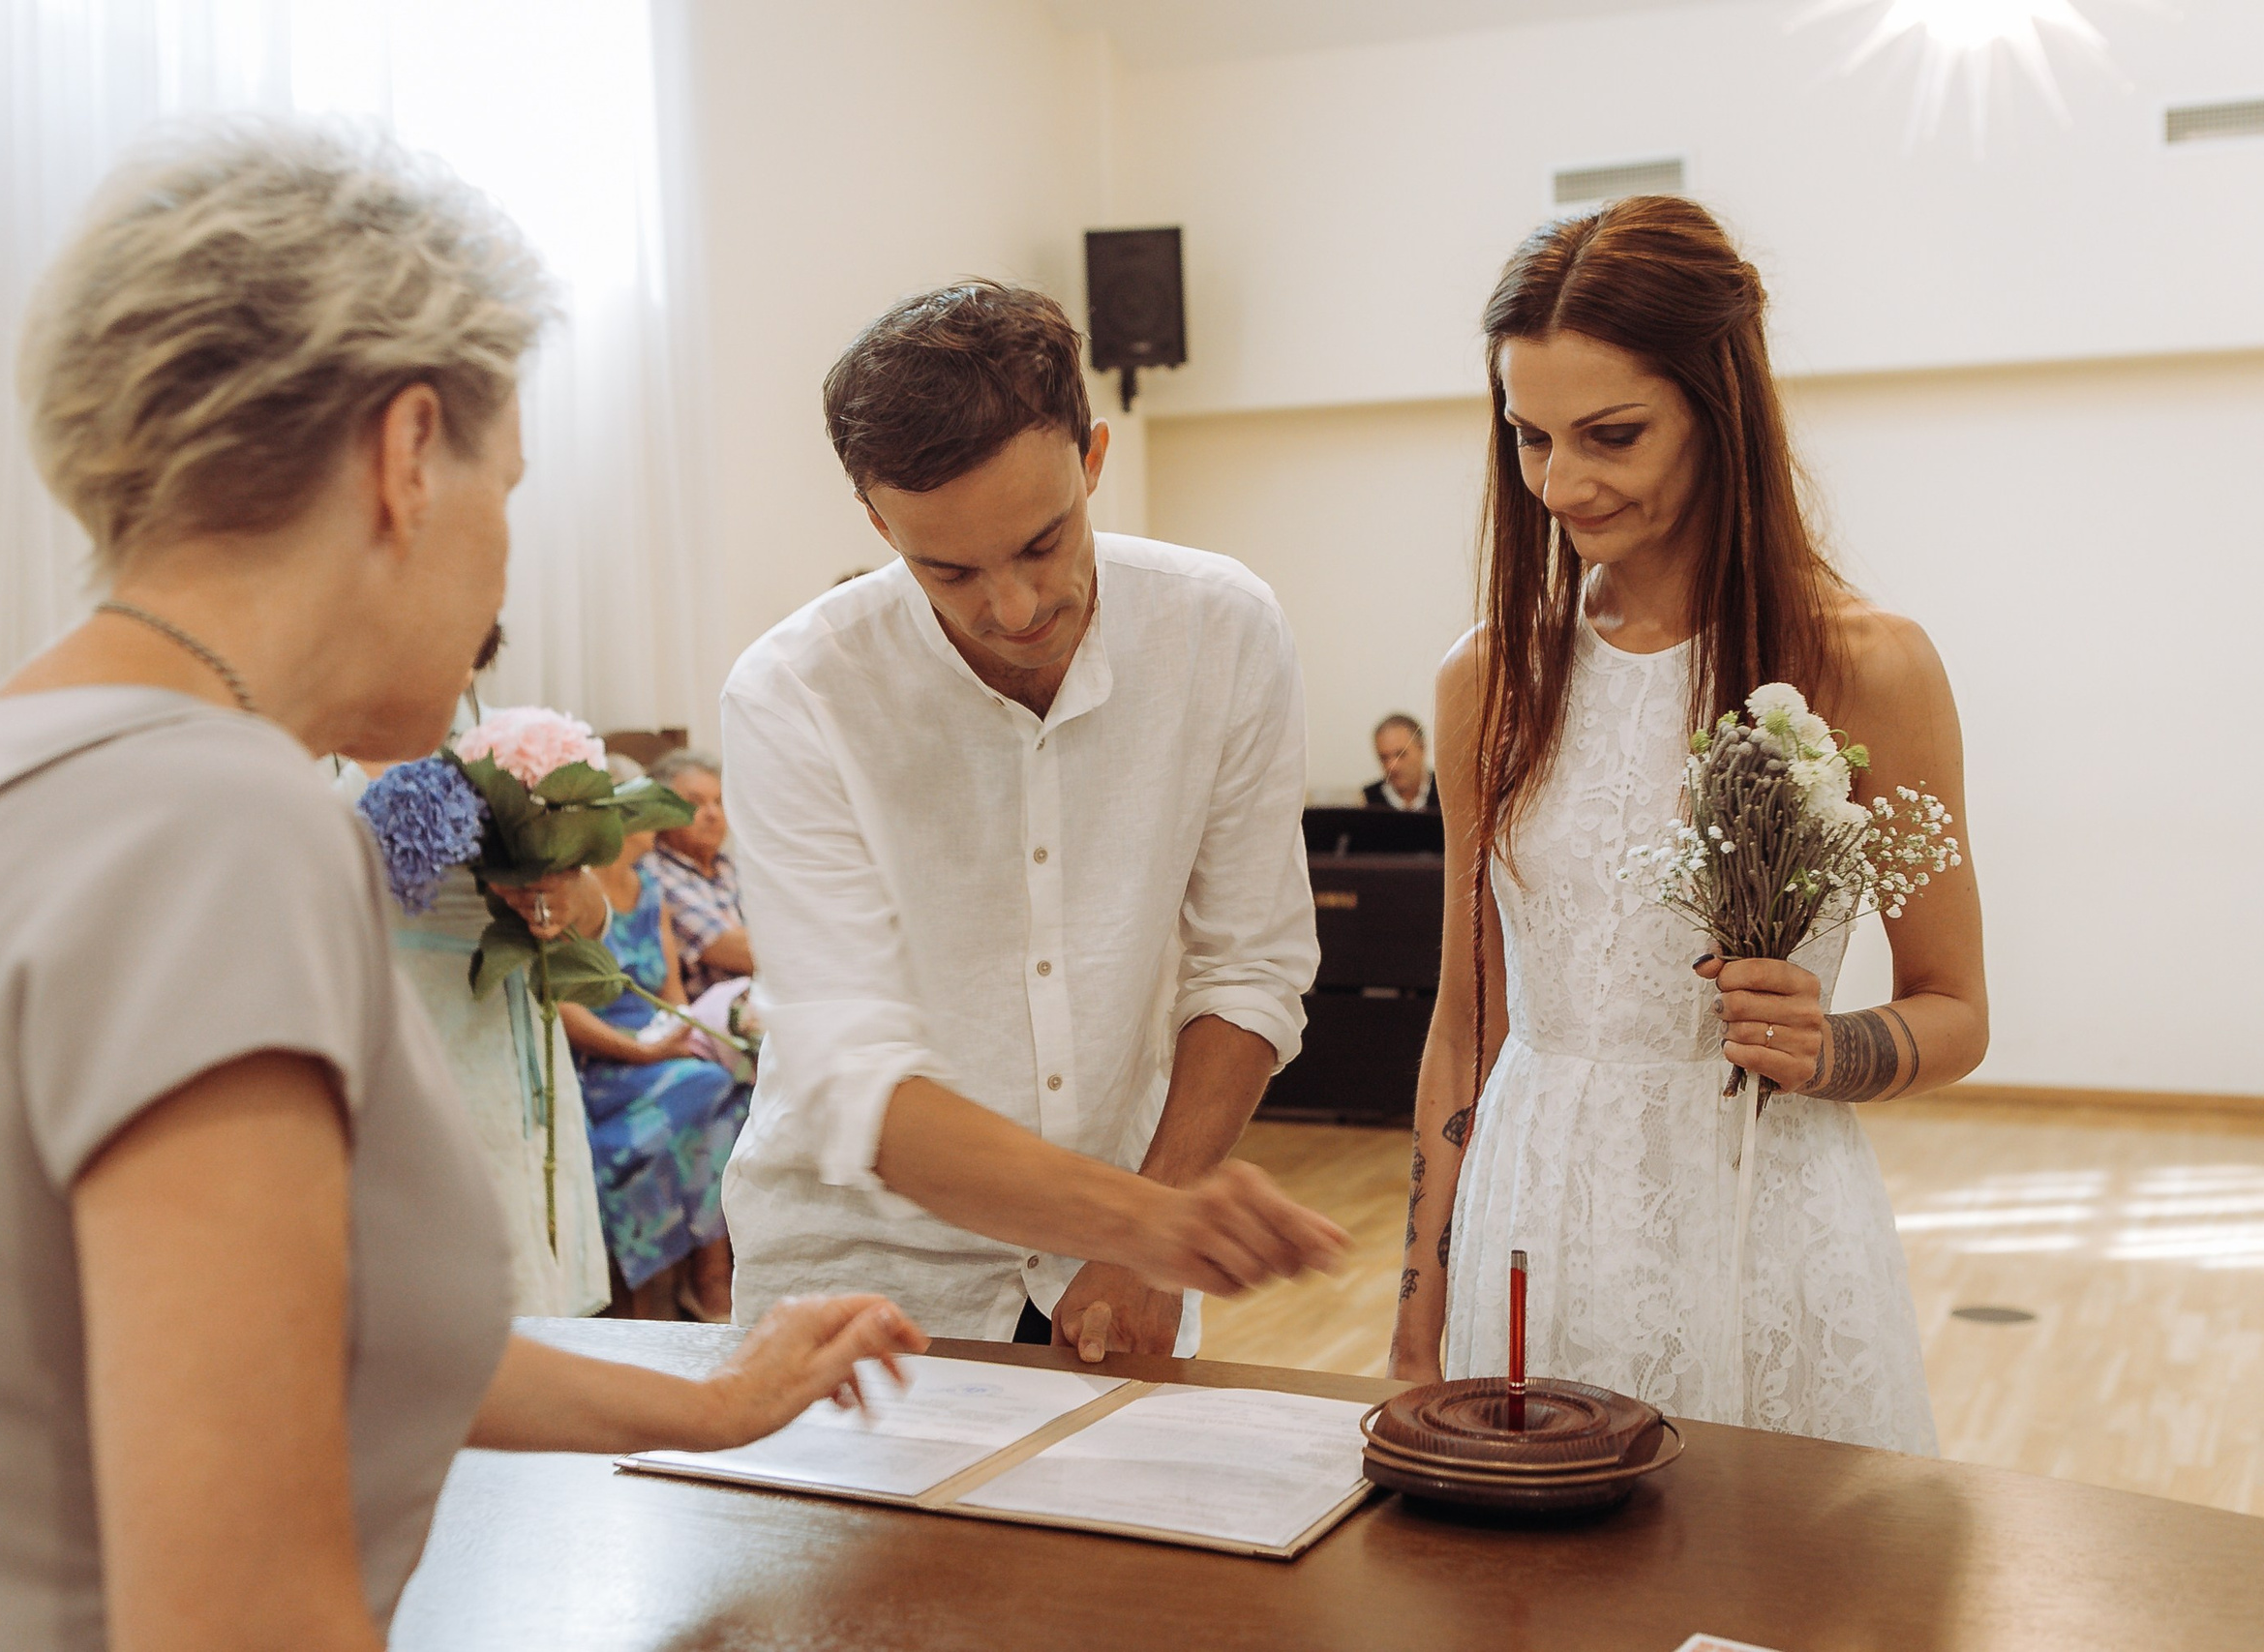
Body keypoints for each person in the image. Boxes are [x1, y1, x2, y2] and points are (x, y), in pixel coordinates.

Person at [0, 119, 922, 1652]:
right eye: (505, 483)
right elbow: (241, 1601)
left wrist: (712, 1402)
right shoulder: (210, 821)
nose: (504, 560)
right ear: (404, 456)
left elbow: (291, 1332)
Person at [1386, 197, 1987, 1455]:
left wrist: (1832, 1045)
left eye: (1613, 434)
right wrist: (1414, 1318)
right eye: (1531, 438)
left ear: (1720, 410)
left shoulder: (1869, 665)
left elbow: (1954, 1007)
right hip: (1532, 1213)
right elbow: (1467, 1024)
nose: (1561, 482)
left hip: (1762, 1222)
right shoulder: (1487, 677)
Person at [721, 281, 1348, 1364]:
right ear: (878, 524)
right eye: (947, 569)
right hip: (858, 1276)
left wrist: (1148, 1232)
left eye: (1042, 541)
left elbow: (1249, 966)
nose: (1011, 607)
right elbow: (854, 1073)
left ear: (1093, 457)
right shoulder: (794, 692)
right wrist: (1146, 1224)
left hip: (1128, 1253)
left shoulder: (1221, 630)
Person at [369, 620, 616, 1319]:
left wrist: (567, 898)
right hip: (361, 1040)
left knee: (499, 1288)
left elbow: (596, 914)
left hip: (485, 1054)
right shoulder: (306, 742)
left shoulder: (509, 749)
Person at [564, 826, 747, 1321]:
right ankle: (707, 1274)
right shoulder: (572, 891)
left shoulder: (648, 888)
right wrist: (644, 1052)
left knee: (740, 1098)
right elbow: (560, 1002)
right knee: (711, 1083)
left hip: (660, 1041)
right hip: (605, 1059)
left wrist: (685, 1036)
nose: (657, 825)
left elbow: (672, 990)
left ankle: (709, 1270)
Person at [643, 748, 753, 1001]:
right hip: (712, 1027)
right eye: (696, 803)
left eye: (719, 801)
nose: (713, 814)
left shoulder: (731, 866)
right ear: (660, 809)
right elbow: (739, 951)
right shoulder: (655, 874)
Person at [1362, 711, 1436, 811]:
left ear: (1422, 748)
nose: (1392, 766)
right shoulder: (1367, 801)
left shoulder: (1448, 793)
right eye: (1384, 758)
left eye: (1401, 755)